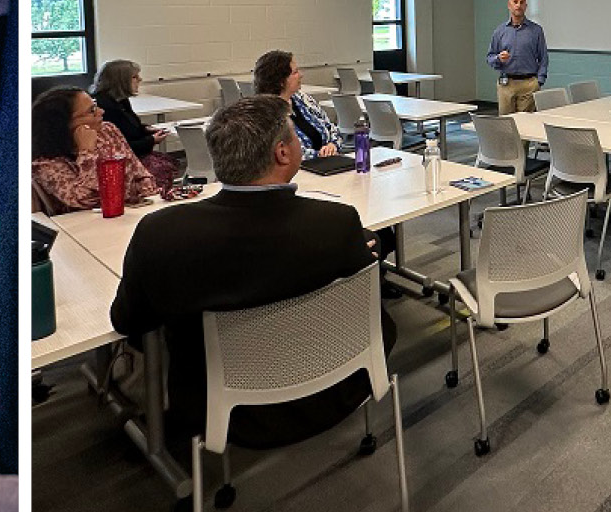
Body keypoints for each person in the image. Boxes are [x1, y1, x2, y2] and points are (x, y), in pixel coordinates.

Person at [109, 94, 396, 452]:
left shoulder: (161, 234)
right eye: (294, 134)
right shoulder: (335, 224)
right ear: (283, 153)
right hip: (338, 383)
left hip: (219, 404)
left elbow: (128, 320)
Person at [31, 85, 160, 214]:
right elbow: (86, 199)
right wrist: (87, 152)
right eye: (91, 110)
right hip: (84, 224)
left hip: (129, 212)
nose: (101, 111)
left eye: (95, 104)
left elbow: (139, 173)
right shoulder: (44, 162)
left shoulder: (107, 130)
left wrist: (147, 201)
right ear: (63, 123)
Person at [91, 59, 182, 189]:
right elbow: (121, 146)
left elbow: (131, 127)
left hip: (133, 152)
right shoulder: (106, 107)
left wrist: (147, 129)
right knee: (162, 167)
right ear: (120, 81)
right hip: (121, 159)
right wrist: (151, 140)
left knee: (168, 163)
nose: (139, 80)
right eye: (134, 77)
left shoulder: (121, 101)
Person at [253, 49, 340, 159]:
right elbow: (287, 153)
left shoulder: (303, 98)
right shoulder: (267, 114)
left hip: (327, 163)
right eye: (295, 72)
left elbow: (331, 128)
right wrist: (320, 155)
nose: (301, 75)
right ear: (280, 81)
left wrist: (333, 145)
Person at [485, 0, 548, 115]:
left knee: (525, 124)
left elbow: (543, 57)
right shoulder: (500, 31)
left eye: (521, 2)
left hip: (529, 84)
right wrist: (498, 58)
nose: (518, 5)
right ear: (509, 5)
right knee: (506, 124)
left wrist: (539, 81)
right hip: (506, 84)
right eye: (515, 2)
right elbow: (489, 57)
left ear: (526, 6)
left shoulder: (536, 30)